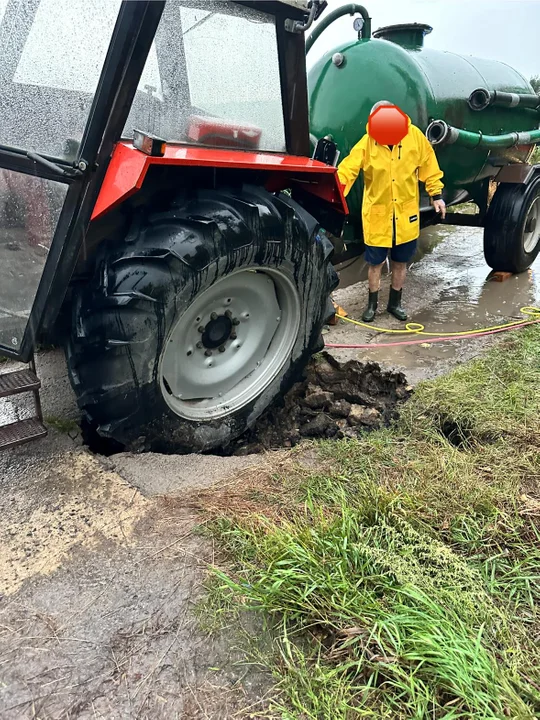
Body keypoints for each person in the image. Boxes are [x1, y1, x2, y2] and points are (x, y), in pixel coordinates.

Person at [337, 100, 446, 322]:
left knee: (400, 262)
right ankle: (372, 306)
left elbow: (429, 166)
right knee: (375, 263)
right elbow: (348, 169)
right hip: (378, 215)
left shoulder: (414, 137)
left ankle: (394, 304)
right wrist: (334, 194)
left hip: (405, 215)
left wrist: (436, 196)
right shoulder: (367, 143)